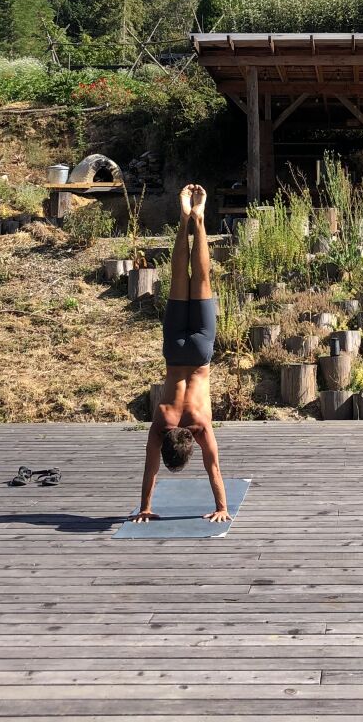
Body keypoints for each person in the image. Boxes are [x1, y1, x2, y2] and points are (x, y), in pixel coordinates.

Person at [131, 183, 229, 525]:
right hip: (174, 351)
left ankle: (198, 219)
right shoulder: (161, 423)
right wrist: (143, 505)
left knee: (201, 278)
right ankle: (189, 218)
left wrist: (222, 507)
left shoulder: (200, 427)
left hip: (200, 351)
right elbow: (151, 468)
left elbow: (213, 467)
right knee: (179, 278)